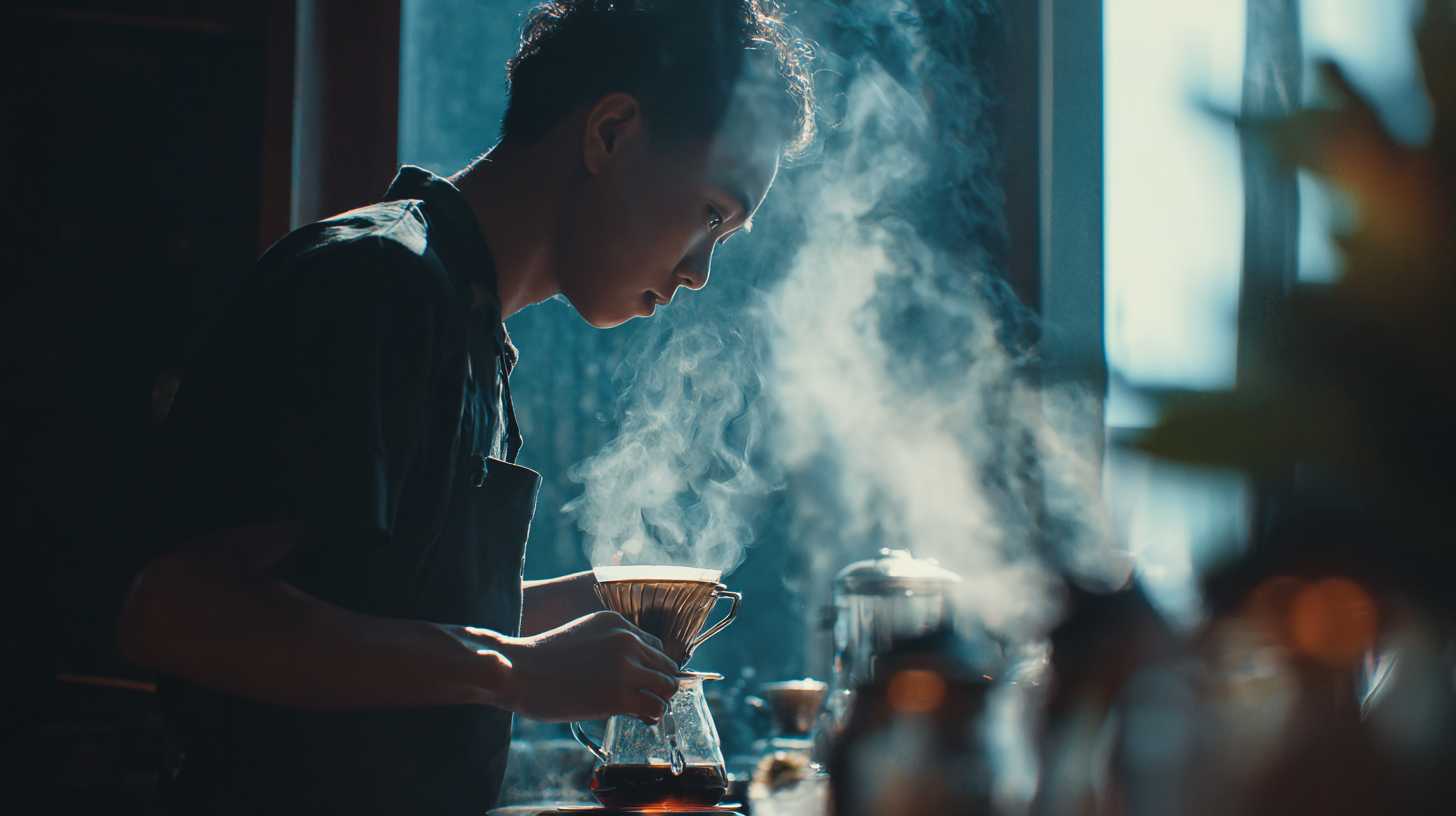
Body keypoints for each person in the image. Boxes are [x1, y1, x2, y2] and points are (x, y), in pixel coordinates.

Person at [117, 1, 815, 813]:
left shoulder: (466, 322)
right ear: (611, 132)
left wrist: (588, 604)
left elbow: (364, 608)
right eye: (711, 214)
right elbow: (175, 612)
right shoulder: (372, 282)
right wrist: (512, 670)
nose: (699, 272)